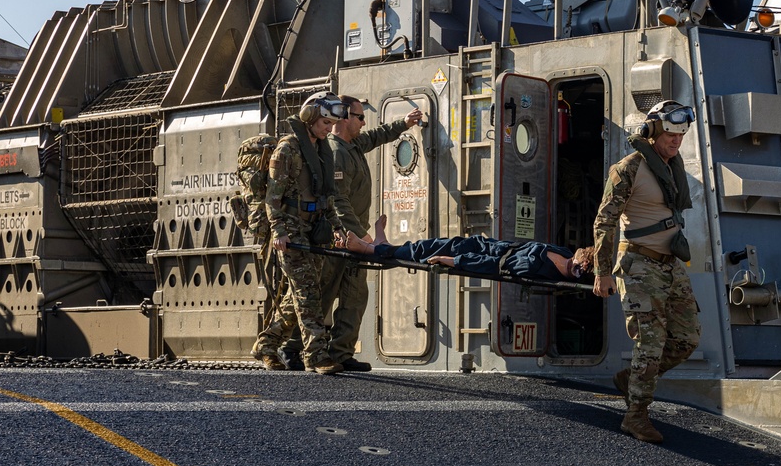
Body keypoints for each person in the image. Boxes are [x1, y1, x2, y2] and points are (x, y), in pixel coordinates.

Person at [592, 100, 702, 443]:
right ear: (653, 131)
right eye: (670, 134)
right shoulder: (629, 168)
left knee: (686, 339)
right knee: (650, 344)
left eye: (681, 135)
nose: (676, 141)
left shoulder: (671, 166)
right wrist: (603, 271)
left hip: (670, 264)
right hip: (638, 264)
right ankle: (636, 415)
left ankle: (632, 379)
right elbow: (604, 220)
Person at [319, 97, 424, 372]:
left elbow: (377, 136)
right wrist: (363, 236)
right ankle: (301, 350)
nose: (364, 123)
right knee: (323, 295)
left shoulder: (353, 146)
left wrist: (404, 124)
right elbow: (338, 201)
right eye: (360, 117)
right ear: (344, 118)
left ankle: (341, 353)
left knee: (355, 295)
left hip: (354, 240)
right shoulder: (335, 152)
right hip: (339, 239)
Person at [253, 92, 348, 375]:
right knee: (307, 295)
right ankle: (316, 356)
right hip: (291, 231)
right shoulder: (288, 149)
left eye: (331, 124)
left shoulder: (320, 150)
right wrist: (279, 231)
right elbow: (273, 198)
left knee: (298, 297)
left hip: (314, 229)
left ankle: (266, 344)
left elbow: (326, 196)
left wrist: (337, 227)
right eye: (324, 122)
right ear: (309, 117)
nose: (328, 129)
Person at [346, 215, 594, 282]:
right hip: (488, 245)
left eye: (578, 271)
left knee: (427, 251)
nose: (574, 266)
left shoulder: (539, 268)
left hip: (485, 254)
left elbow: (496, 267)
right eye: (579, 262)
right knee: (427, 245)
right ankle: (383, 245)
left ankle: (370, 249)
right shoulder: (562, 252)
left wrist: (454, 261)